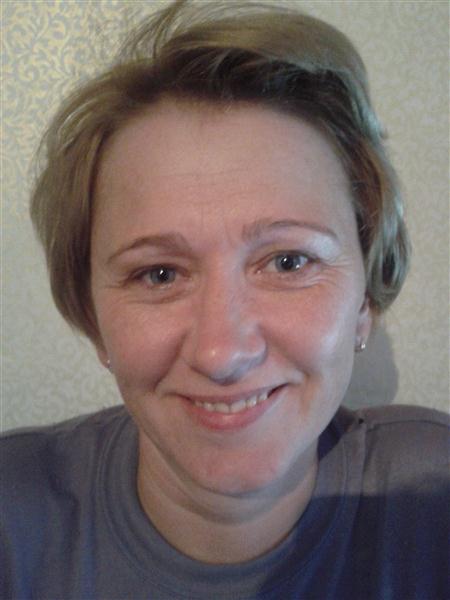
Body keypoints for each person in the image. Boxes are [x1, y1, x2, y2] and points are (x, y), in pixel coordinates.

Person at [1, 1, 448, 598]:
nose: (222, 353)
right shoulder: (13, 516)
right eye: (159, 274)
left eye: (288, 262)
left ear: (365, 300)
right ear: (92, 318)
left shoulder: (433, 494)